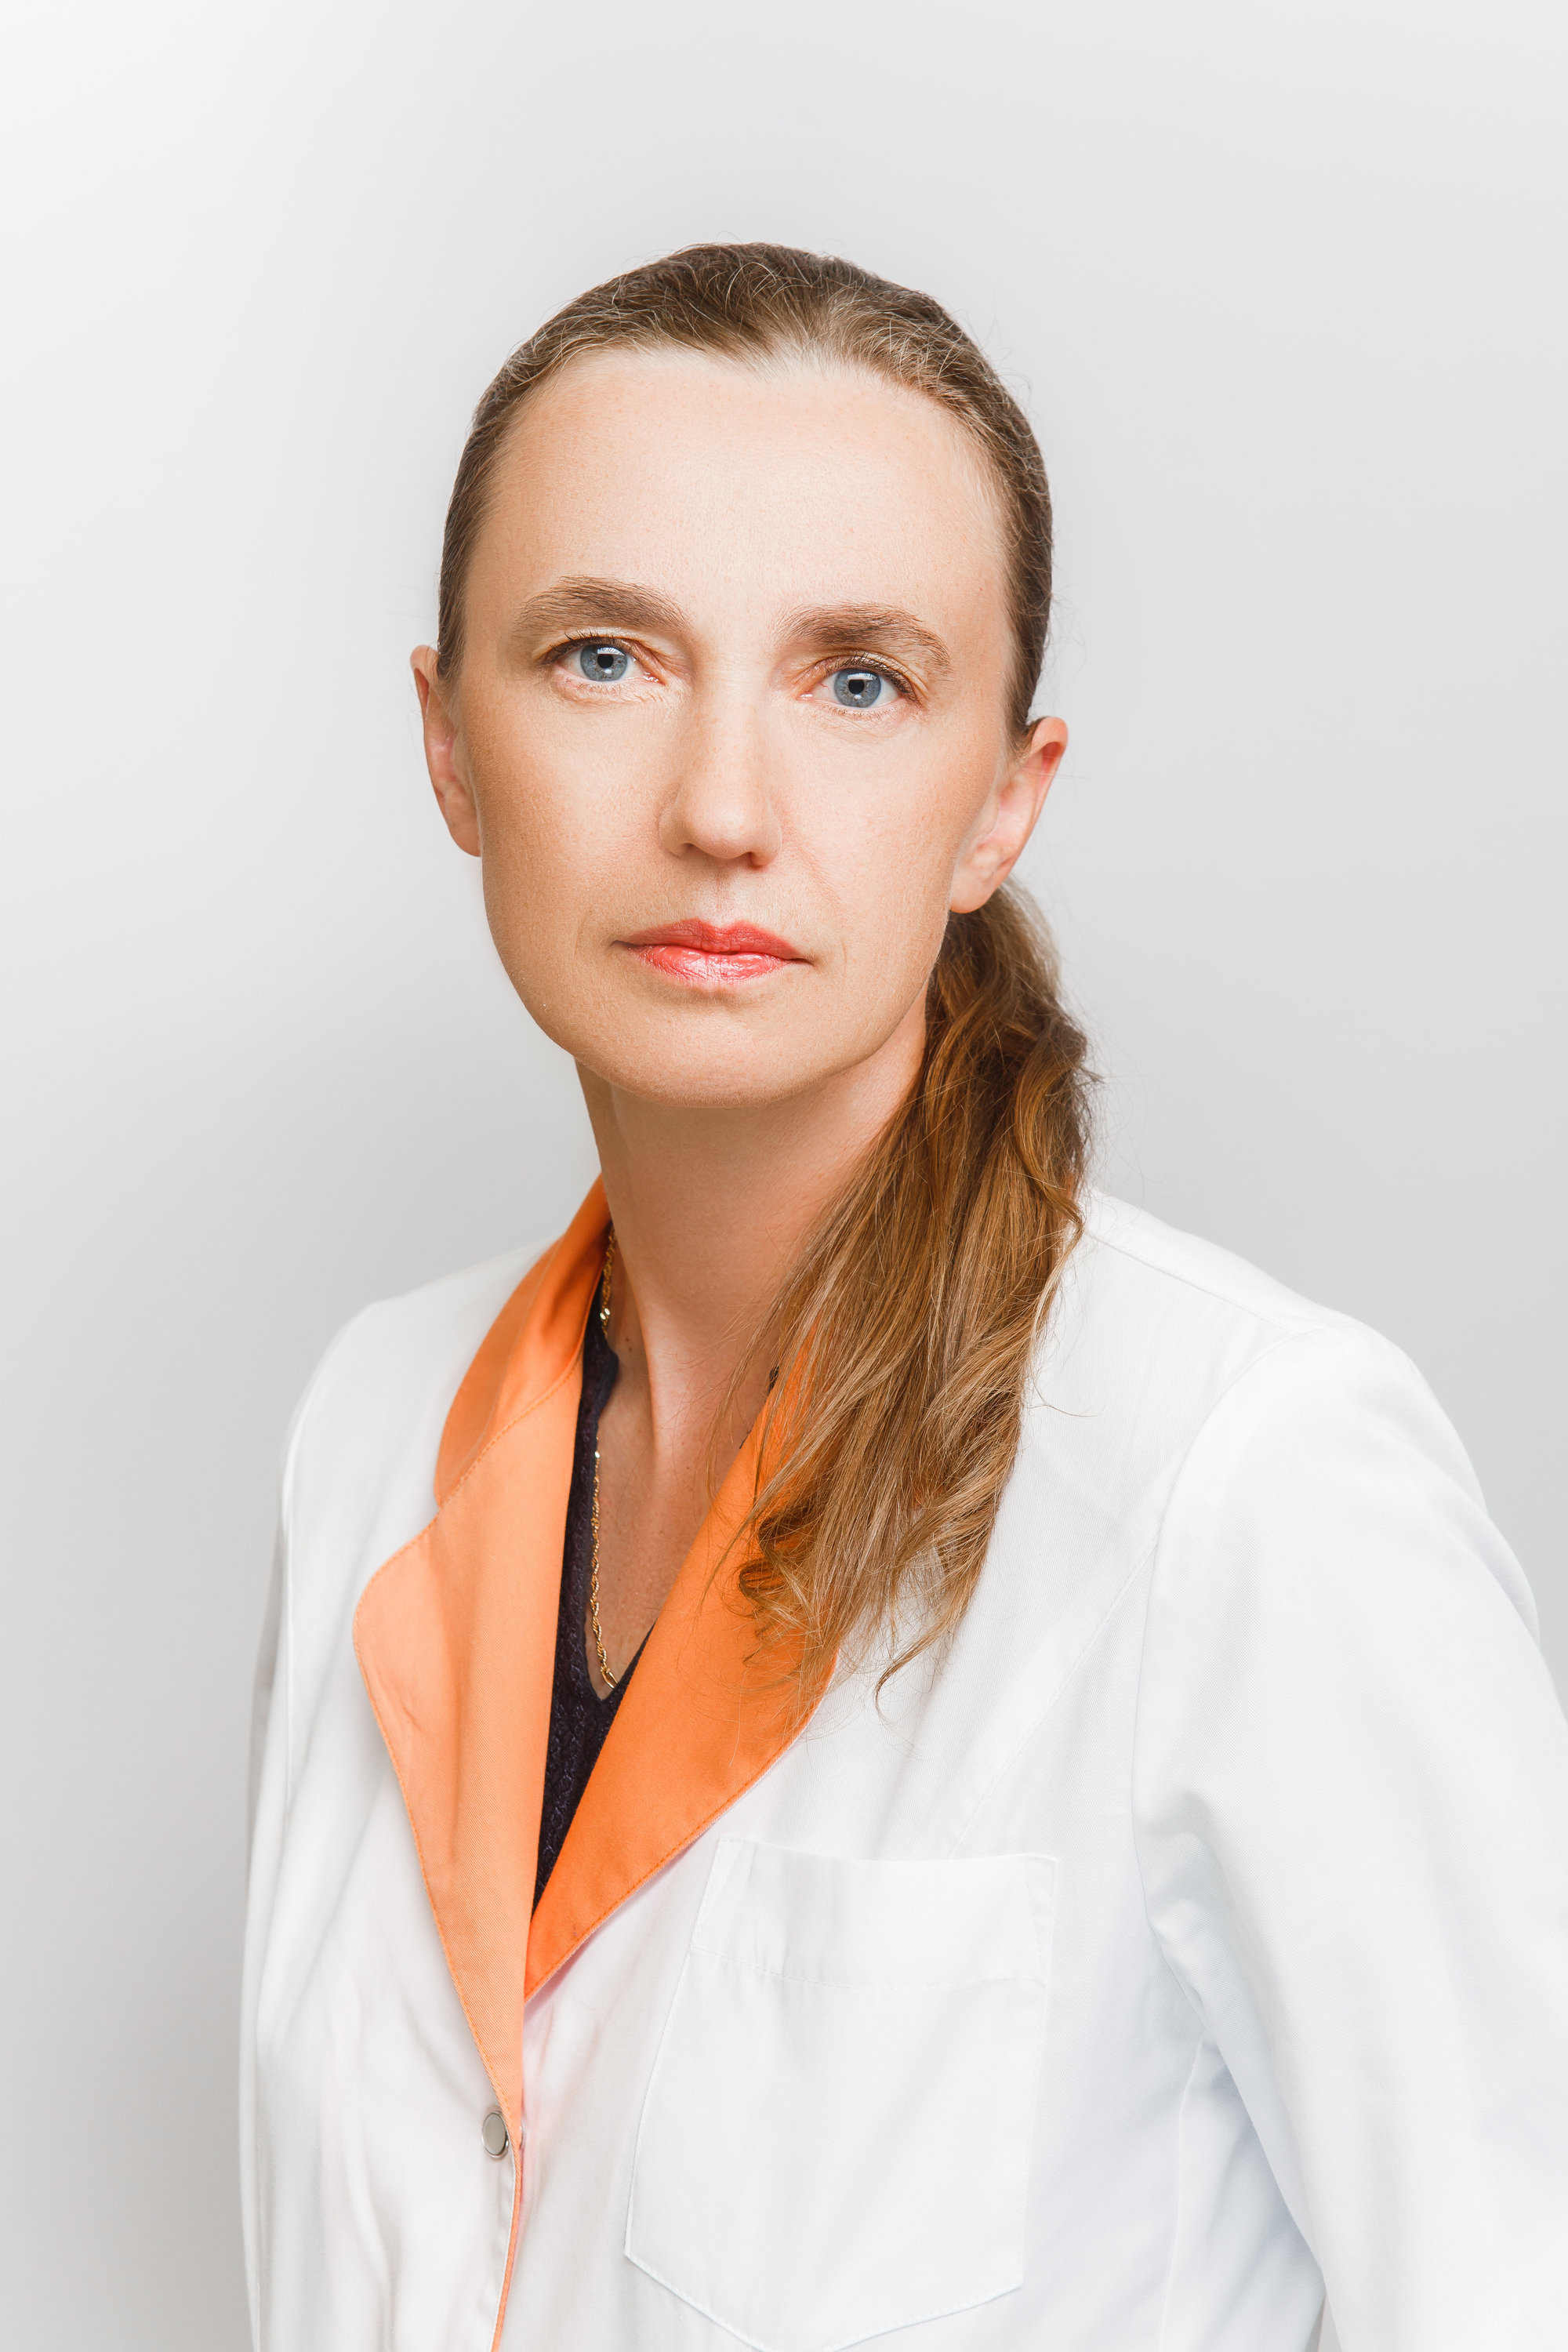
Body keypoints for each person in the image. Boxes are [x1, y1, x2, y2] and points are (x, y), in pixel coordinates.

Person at [240, 244, 1568, 2352]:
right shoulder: (370, 1428)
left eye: (858, 683)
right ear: (449, 743)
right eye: (604, 657)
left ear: (1003, 802)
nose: (721, 811)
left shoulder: (1243, 1480)